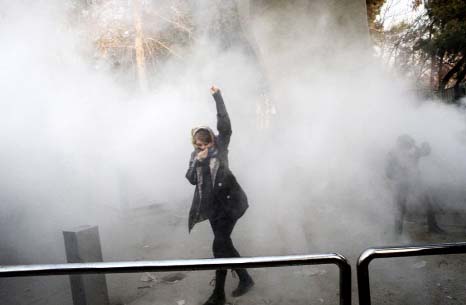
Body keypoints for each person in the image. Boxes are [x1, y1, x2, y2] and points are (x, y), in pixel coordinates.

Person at [186, 86, 254, 305]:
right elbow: (191, 179)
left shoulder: (221, 147)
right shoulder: (195, 156)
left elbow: (225, 127)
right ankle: (245, 279)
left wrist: (218, 97)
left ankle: (218, 294)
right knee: (225, 245)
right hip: (213, 209)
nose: (203, 147)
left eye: (206, 144)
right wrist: (199, 160)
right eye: (198, 145)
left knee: (219, 245)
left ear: (213, 141)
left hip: (231, 205)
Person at [385, 134, 444, 234]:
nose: (410, 146)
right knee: (400, 208)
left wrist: (427, 146)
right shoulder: (393, 153)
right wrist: (400, 174)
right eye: (408, 144)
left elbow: (425, 152)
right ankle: (397, 232)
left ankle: (433, 227)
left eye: (410, 144)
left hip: (415, 181)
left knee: (428, 203)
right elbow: (388, 173)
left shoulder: (414, 150)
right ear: (402, 144)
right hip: (401, 184)